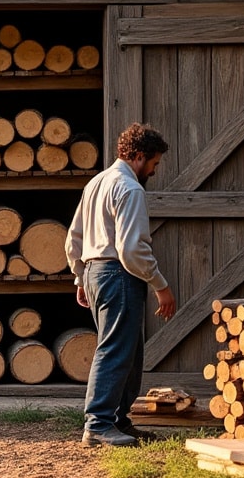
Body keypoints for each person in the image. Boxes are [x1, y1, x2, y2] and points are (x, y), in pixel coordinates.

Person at [66, 122, 177, 447]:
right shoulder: (129, 189)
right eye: (154, 164)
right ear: (139, 156)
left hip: (95, 272)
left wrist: (80, 277)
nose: (154, 171)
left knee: (127, 351)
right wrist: (161, 285)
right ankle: (98, 424)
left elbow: (73, 238)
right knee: (115, 350)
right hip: (119, 274)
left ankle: (118, 421)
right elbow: (132, 250)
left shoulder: (96, 183)